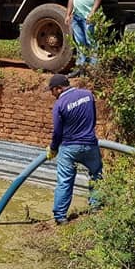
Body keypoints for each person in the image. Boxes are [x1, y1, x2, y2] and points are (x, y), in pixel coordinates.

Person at [45, 73, 102, 225]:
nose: (52, 94)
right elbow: (93, 119)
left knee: (65, 181)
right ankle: (96, 207)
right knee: (96, 174)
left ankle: (60, 217)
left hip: (69, 148)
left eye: (52, 90)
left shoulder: (60, 104)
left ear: (58, 89)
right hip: (90, 144)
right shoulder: (88, 95)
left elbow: (57, 132)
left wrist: (53, 148)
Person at [65, 0, 103, 76]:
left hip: (88, 17)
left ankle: (93, 70)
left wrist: (92, 13)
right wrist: (68, 14)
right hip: (77, 16)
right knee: (80, 43)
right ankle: (81, 69)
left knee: (91, 43)